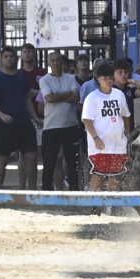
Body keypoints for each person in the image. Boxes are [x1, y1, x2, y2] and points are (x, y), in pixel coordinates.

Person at [0, 46, 38, 188]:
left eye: (12, 56)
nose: (9, 59)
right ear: (1, 59)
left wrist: (35, 118)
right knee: (2, 158)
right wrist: (1, 115)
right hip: (5, 125)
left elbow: (27, 99)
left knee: (31, 157)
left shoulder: (21, 77)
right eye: (6, 56)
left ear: (16, 58)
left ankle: (32, 191)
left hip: (24, 122)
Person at [80, 60, 131, 193]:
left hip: (118, 145)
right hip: (100, 146)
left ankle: (113, 208)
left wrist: (127, 133)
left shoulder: (119, 95)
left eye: (110, 77)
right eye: (105, 78)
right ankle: (94, 208)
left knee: (115, 177)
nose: (108, 80)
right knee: (98, 175)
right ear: (98, 79)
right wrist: (96, 138)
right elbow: (87, 120)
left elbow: (125, 115)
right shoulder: (92, 98)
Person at [37, 52, 83, 190]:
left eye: (58, 60)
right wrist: (67, 94)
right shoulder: (44, 80)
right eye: (53, 61)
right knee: (49, 163)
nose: (56, 63)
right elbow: (49, 98)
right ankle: (46, 192)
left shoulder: (71, 78)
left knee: (72, 164)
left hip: (71, 126)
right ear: (49, 63)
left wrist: (57, 97)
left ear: (62, 62)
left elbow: (76, 98)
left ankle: (74, 191)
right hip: (51, 127)